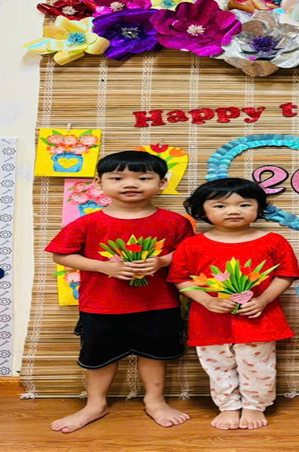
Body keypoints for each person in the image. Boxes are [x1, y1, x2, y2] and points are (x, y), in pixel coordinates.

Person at [46, 150, 194, 433]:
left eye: (143, 178)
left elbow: (188, 253)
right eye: (117, 178)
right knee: (98, 357)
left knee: (154, 354)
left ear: (162, 182)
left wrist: (162, 261)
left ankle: (155, 401)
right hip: (101, 305)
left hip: (158, 303)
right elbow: (61, 255)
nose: (130, 184)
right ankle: (95, 404)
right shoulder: (87, 222)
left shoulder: (175, 222)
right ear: (98, 183)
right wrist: (104, 267)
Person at [169, 178, 299, 431]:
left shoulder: (274, 241)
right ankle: (228, 406)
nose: (233, 211)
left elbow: (286, 275)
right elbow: (179, 279)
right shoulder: (191, 245)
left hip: (258, 317)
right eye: (220, 206)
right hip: (209, 319)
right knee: (217, 365)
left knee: (258, 365)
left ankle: (254, 406)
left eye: (244, 204)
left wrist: (263, 300)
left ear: (259, 208)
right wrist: (206, 300)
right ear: (201, 211)